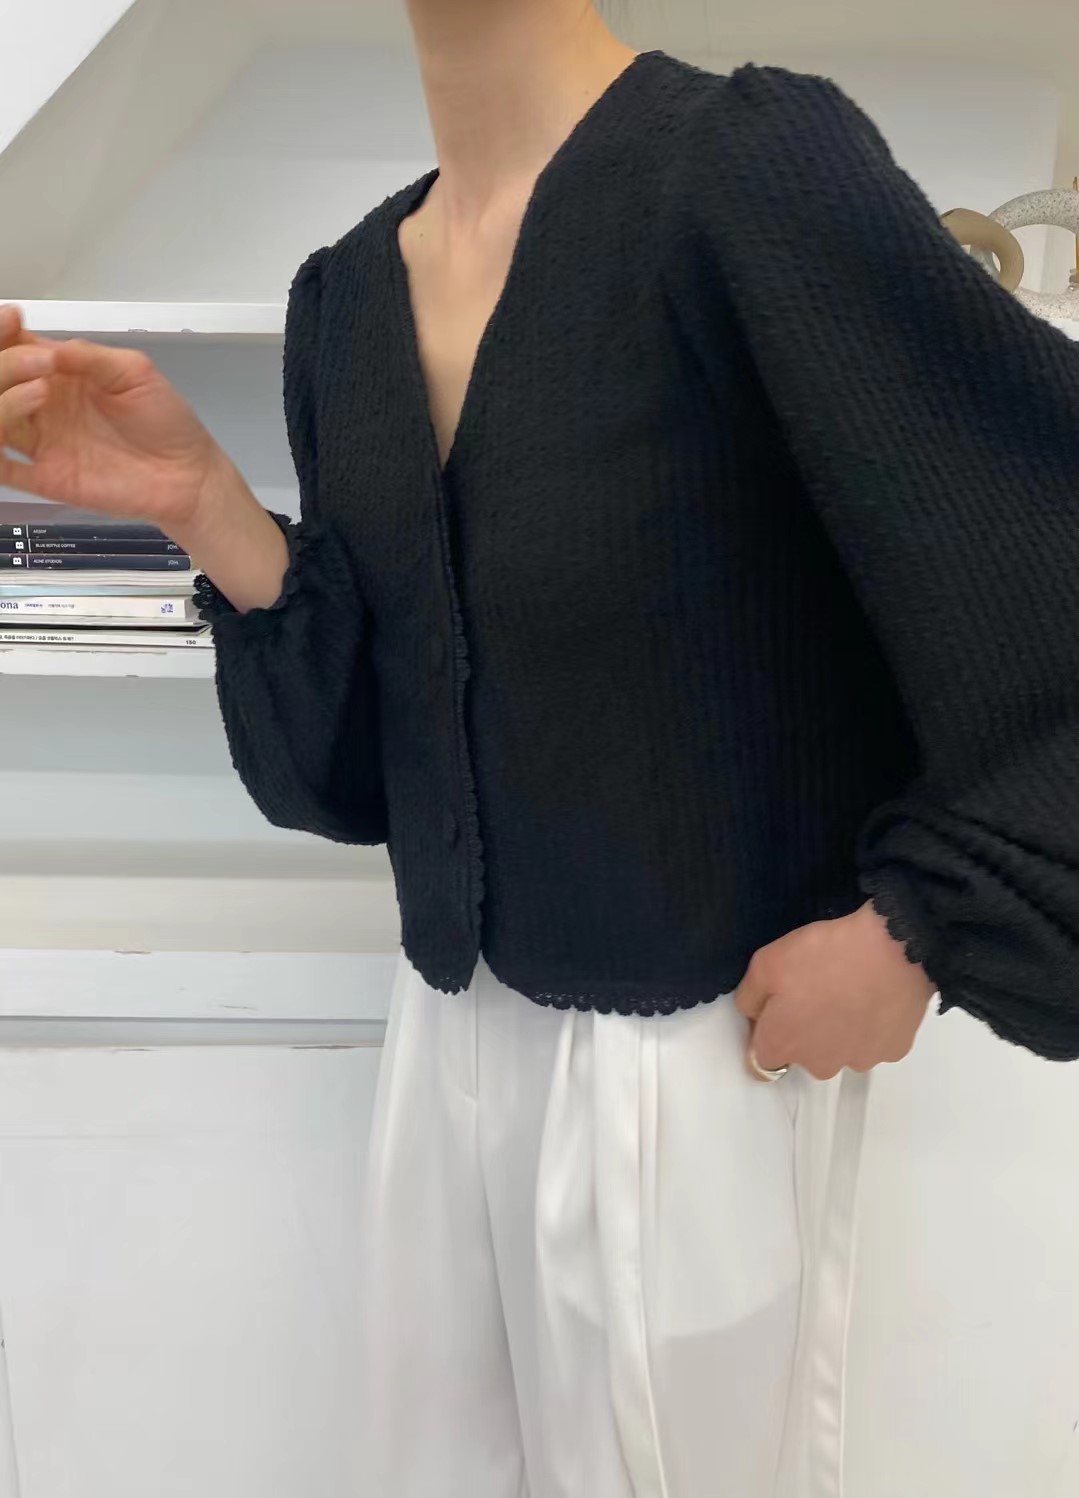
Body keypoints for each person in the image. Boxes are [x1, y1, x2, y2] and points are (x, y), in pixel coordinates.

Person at [1, 2, 1078, 1493]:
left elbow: (1037, 545)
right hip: (448, 1031)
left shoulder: (743, 174)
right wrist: (205, 505)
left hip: (700, 1057)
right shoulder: (348, 299)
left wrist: (925, 923)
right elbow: (364, 769)